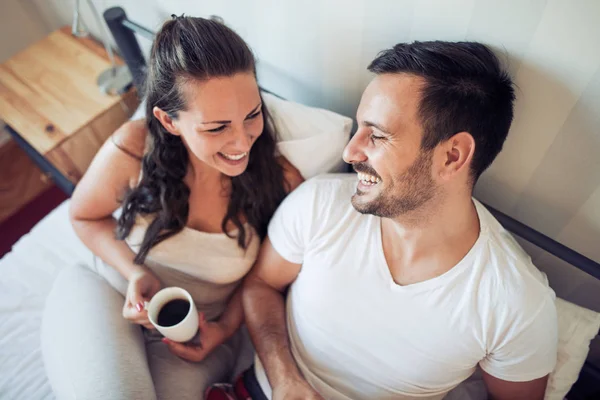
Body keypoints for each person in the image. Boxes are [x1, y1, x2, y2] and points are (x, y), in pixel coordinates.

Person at [241, 41, 558, 400]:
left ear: (452, 156)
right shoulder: (319, 203)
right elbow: (260, 286)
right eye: (360, 128)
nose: (350, 151)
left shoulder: (515, 304)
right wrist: (284, 380)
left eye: (376, 135)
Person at [41, 15, 302, 400]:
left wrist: (226, 329)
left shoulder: (280, 180)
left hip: (200, 331)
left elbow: (265, 276)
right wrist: (134, 271)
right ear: (169, 120)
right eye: (216, 128)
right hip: (109, 292)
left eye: (251, 115)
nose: (241, 141)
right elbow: (83, 216)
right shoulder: (133, 148)